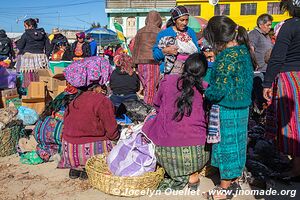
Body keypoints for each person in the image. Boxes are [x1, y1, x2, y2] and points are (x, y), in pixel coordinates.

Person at [203, 16, 256, 199]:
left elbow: (219, 89)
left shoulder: (226, 57)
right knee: (238, 145)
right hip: (242, 108)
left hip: (227, 109)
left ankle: (223, 188)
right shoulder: (244, 51)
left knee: (226, 146)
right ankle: (233, 180)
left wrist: (206, 94)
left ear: (217, 38)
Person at [142, 53, 210, 191]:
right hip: (201, 155)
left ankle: (185, 176)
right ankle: (192, 173)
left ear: (185, 67)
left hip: (168, 156)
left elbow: (156, 106)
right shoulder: (206, 88)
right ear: (204, 71)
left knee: (151, 120)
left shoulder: (168, 81)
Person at [58, 57, 118, 180]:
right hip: (90, 151)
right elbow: (112, 132)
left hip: (68, 151)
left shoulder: (73, 99)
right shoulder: (102, 101)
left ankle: (76, 168)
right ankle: (87, 166)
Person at [263, 0, 300, 182]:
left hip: (291, 78)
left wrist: (267, 82)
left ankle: (296, 169)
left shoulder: (289, 26)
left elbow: (277, 57)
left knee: (294, 124)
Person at [153, 5, 199, 75]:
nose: (185, 23)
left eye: (187, 20)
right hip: (171, 73)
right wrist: (164, 51)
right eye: (182, 20)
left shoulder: (190, 32)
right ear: (174, 20)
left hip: (189, 71)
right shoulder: (164, 33)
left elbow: (197, 50)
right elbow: (156, 56)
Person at [132, 11, 162, 105]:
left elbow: (135, 48)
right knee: (151, 89)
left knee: (146, 87)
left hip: (140, 63)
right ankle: (148, 110)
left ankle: (149, 108)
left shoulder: (140, 31)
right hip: (152, 62)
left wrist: (134, 64)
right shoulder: (160, 32)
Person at [16, 18, 51, 88]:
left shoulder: (26, 34)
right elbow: (48, 47)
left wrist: (19, 54)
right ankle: (40, 91)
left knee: (29, 75)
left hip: (29, 58)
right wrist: (46, 56)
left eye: (25, 26)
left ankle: (30, 92)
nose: (25, 28)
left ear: (31, 26)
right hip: (41, 58)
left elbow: (20, 46)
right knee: (40, 76)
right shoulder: (43, 34)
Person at [248, 14, 273, 111]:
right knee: (260, 99)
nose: (270, 27)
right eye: (268, 25)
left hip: (266, 70)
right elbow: (251, 49)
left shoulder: (266, 36)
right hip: (258, 72)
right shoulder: (254, 34)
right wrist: (255, 63)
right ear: (260, 24)